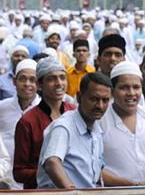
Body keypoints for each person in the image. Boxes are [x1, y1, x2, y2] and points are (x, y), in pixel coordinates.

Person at [100, 61, 145, 186]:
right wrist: (135, 185)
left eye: (136, 87)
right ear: (112, 91)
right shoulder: (101, 121)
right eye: (124, 87)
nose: (131, 93)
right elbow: (94, 170)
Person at [36, 72, 112, 189]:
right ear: (79, 97)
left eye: (105, 100)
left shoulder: (97, 130)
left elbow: (94, 175)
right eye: (94, 99)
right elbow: (52, 162)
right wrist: (72, 191)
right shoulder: (63, 127)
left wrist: (135, 185)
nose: (100, 106)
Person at [13, 57, 75, 189]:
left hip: (75, 187)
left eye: (62, 77)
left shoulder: (74, 113)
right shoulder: (27, 122)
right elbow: (19, 173)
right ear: (39, 85)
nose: (59, 83)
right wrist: (51, 173)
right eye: (51, 79)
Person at [0, 59, 40, 189]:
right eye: (22, 79)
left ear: (38, 83)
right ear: (14, 81)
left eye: (32, 79)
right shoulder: (2, 107)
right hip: (4, 179)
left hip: (34, 182)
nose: (27, 84)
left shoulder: (44, 110)